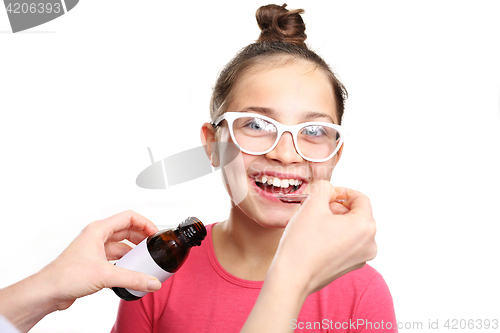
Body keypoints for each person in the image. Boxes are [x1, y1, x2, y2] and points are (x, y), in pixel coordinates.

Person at [111, 4, 397, 333]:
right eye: (258, 125)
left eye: (315, 131)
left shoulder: (361, 294)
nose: (286, 154)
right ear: (213, 144)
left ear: (335, 154)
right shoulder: (160, 271)